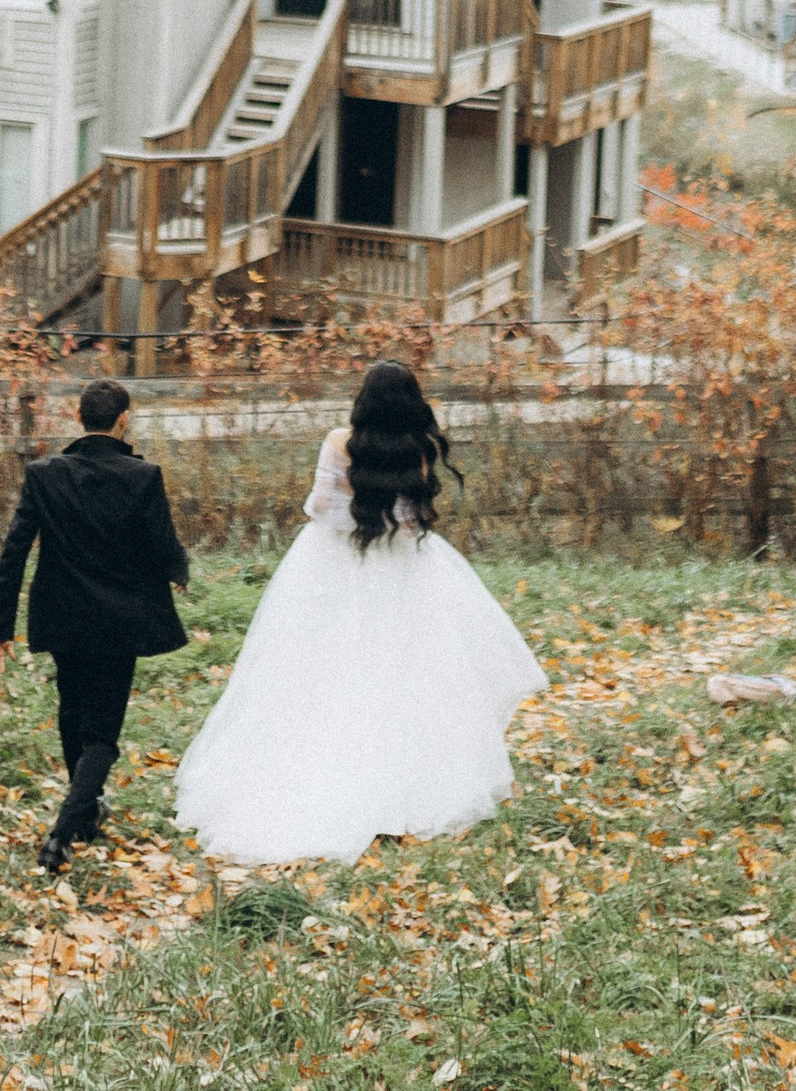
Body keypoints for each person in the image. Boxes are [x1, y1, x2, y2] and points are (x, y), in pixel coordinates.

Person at [174, 358, 542, 865]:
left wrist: (349, 507)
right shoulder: (417, 450)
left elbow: (317, 506)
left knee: (320, 667)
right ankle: (401, 778)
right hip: (400, 568)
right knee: (402, 671)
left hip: (331, 565)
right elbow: (412, 520)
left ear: (364, 400)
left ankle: (312, 768)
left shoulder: (337, 441)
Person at [0, 377, 192, 875]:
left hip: (62, 614)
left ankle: (84, 812)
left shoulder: (44, 475)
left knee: (72, 710)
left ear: (79, 419)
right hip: (119, 620)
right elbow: (161, 542)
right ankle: (64, 831)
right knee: (101, 734)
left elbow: (15, 550)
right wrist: (178, 571)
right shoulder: (142, 476)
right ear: (123, 421)